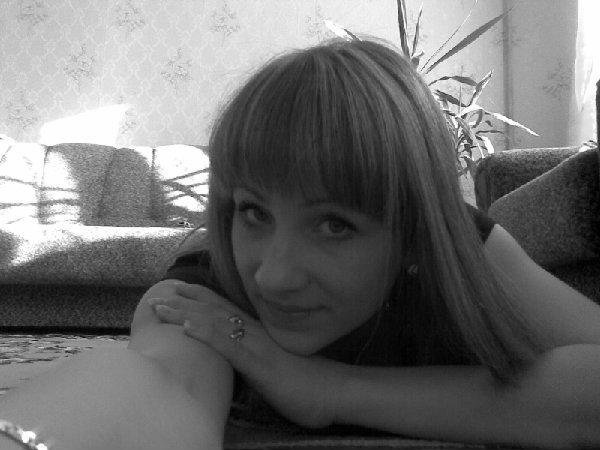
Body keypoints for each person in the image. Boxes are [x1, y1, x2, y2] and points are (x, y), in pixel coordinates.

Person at [2, 37, 600, 450]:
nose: (272, 276)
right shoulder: (205, 285)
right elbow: (163, 383)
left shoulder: (456, 243)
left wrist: (328, 389)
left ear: (416, 230)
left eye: (334, 224)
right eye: (253, 212)